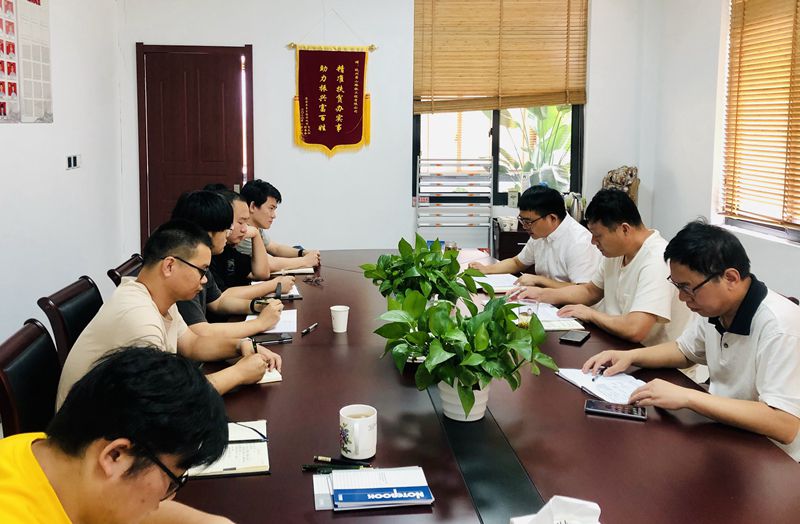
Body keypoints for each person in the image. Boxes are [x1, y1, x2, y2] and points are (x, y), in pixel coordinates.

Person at [583, 221, 800, 460]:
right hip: (725, 433)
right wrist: (629, 356)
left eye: (687, 288)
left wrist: (688, 397)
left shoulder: (780, 327)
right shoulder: (715, 308)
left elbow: (784, 424)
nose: (681, 297)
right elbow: (684, 351)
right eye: (677, 286)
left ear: (730, 278)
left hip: (773, 457)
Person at [56, 219, 282, 407]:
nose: (205, 280)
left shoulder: (156, 295)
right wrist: (239, 373)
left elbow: (191, 343)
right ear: (169, 266)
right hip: (96, 435)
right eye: (201, 271)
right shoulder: (139, 319)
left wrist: (240, 345)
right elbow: (168, 400)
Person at [1, 347, 232, 523]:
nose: (162, 501)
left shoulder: (43, 453)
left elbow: (137, 508)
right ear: (115, 455)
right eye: (171, 482)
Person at [516, 189, 688, 345]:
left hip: (654, 358)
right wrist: (541, 295)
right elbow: (590, 291)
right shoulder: (616, 252)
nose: (593, 242)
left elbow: (635, 329)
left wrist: (591, 314)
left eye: (597, 236)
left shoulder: (657, 259)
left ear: (624, 229)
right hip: (617, 343)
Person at [171, 190, 290, 337]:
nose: (228, 234)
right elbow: (199, 332)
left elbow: (218, 302)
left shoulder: (200, 258)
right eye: (227, 229)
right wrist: (260, 323)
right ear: (207, 232)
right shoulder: (183, 266)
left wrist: (256, 305)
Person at [469, 185, 600, 288]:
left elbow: (582, 290)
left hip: (575, 309)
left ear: (552, 218)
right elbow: (517, 263)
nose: (525, 226)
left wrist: (540, 280)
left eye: (528, 221)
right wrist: (486, 269)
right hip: (546, 301)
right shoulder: (539, 235)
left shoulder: (579, 241)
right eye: (522, 220)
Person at [205, 185, 286, 298]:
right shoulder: (207, 254)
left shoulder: (228, 248)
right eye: (240, 222)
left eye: (246, 223)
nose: (245, 229)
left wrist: (256, 235)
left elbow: (261, 274)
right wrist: (274, 285)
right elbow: (220, 298)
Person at [237, 179, 321, 271]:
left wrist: (303, 253)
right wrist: (305, 261)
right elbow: (268, 263)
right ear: (253, 206)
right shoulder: (242, 231)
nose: (274, 215)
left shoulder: (255, 228)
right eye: (271, 208)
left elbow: (275, 248)